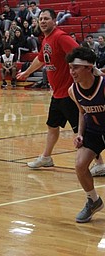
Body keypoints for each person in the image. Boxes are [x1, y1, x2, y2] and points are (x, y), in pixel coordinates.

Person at [16, 8, 105, 172]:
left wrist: (94, 71)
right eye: (41, 19)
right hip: (57, 94)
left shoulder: (60, 37)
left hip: (69, 94)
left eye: (46, 19)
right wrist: (27, 73)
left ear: (55, 21)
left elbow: (80, 53)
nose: (42, 21)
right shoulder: (46, 40)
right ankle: (46, 157)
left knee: (81, 130)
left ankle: (99, 163)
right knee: (52, 126)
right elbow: (41, 59)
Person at [66, 46, 105, 223]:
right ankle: (93, 200)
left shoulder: (103, 85)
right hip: (94, 131)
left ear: (88, 68)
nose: (71, 71)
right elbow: (82, 112)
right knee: (80, 165)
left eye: (75, 67)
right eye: (70, 67)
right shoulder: (73, 90)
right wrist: (79, 134)